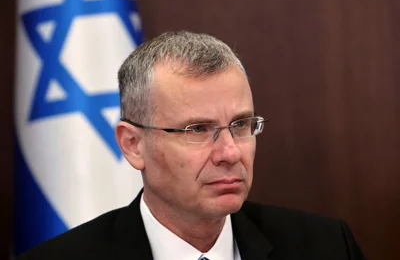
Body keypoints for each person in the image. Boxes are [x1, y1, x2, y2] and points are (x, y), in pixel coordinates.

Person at [18, 31, 366, 260]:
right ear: (133, 144)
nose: (230, 153)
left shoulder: (327, 247)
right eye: (198, 129)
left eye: (241, 125)